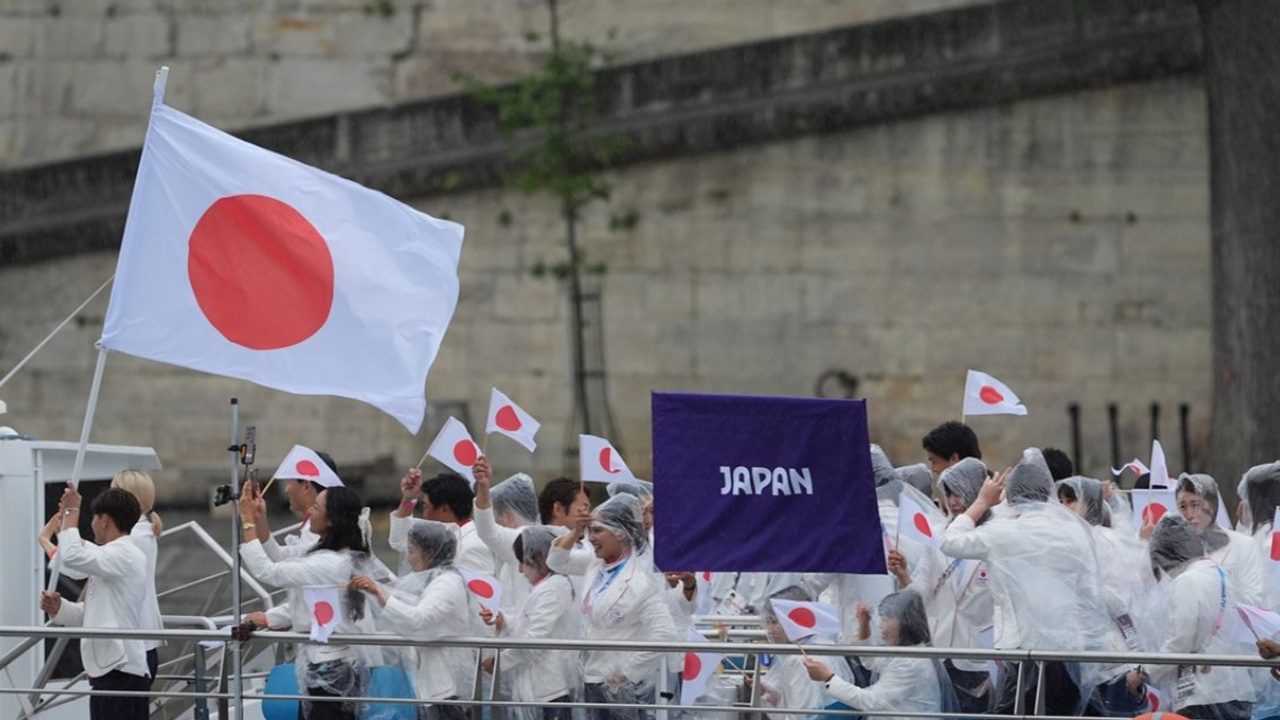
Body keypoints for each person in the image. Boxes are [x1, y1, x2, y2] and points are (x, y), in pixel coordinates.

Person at [939, 448, 1110, 716]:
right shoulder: (1075, 531)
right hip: (1068, 647)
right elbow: (1088, 591)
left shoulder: (1003, 532)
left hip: (1021, 649)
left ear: (1012, 495)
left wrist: (982, 502)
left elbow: (949, 542)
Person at [239, 481, 372, 720]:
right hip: (327, 663)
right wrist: (260, 520)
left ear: (331, 519)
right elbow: (280, 557)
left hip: (331, 666)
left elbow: (268, 572)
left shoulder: (329, 563)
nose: (310, 511)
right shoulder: (328, 552)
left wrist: (246, 521)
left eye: (317, 508)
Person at [548, 493, 678, 720]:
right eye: (590, 531)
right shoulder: (594, 564)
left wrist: (625, 672)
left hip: (622, 687)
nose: (591, 538)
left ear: (621, 533)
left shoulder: (641, 581)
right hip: (590, 677)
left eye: (598, 531)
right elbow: (555, 561)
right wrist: (576, 531)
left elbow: (665, 634)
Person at [887, 457, 994, 714]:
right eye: (948, 493)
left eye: (958, 492)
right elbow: (922, 589)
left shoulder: (996, 534)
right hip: (941, 649)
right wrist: (903, 576)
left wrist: (1000, 663)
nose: (953, 500)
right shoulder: (937, 535)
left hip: (980, 655)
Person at [40, 485, 151, 720]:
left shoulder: (125, 554)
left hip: (121, 671)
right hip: (110, 672)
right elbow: (92, 614)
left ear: (104, 520)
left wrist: (71, 511)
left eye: (93, 518)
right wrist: (60, 609)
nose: (90, 525)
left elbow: (73, 556)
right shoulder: (112, 557)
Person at [350, 519, 474, 720]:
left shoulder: (447, 584)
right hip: (430, 686)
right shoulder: (433, 579)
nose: (408, 558)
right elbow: (401, 600)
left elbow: (417, 619)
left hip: (445, 688)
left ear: (431, 552)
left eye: (412, 551)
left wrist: (378, 592)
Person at [1057, 476, 1156, 716]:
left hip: (1112, 661)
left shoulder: (1097, 540)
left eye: (1070, 501)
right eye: (1059, 500)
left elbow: (1122, 594)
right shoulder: (1077, 540)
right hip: (1094, 661)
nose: (1062, 507)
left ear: (1090, 503)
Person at [1143, 515, 1255, 720]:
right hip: (1234, 687)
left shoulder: (1186, 581)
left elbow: (1180, 642)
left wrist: (1145, 672)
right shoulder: (1216, 572)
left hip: (1204, 693)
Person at [479, 525, 579, 720]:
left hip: (549, 689)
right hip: (532, 686)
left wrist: (499, 663)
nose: (519, 569)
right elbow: (524, 622)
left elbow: (535, 639)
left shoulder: (555, 588)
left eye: (522, 562)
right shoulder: (540, 587)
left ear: (540, 558)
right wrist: (503, 620)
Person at [802, 590, 952, 720]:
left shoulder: (910, 662)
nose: (881, 626)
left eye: (886, 619)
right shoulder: (905, 652)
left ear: (904, 623)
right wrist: (864, 627)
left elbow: (869, 701)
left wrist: (828, 678)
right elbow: (873, 662)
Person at [755, 586, 853, 719]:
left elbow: (799, 715)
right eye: (768, 622)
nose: (770, 630)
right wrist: (774, 698)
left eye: (774, 622)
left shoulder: (800, 660)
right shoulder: (822, 644)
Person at [1176, 473, 1269, 607]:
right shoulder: (1174, 549)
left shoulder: (1243, 545)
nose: (1189, 515)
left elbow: (1253, 601)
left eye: (1196, 505)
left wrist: (1216, 592)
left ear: (1213, 506)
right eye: (1183, 506)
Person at [393, 468, 495, 574]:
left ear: (444, 509)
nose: (424, 515)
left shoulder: (472, 546)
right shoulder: (441, 537)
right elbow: (400, 541)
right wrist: (409, 498)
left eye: (426, 507)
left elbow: (480, 588)